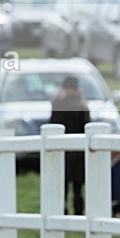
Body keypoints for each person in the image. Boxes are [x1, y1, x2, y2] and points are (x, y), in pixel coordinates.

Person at [48, 75, 90, 215]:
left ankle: (63, 213)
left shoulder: (58, 103)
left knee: (63, 187)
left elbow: (53, 123)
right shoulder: (81, 104)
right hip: (79, 152)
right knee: (78, 188)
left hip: (63, 151)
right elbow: (87, 125)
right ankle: (79, 214)